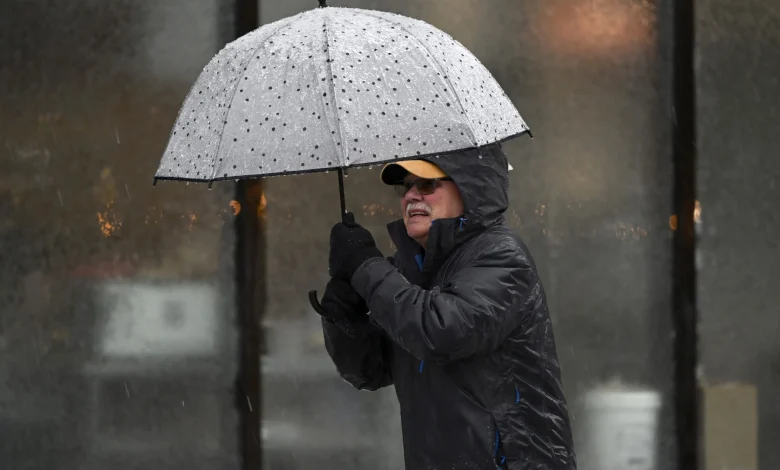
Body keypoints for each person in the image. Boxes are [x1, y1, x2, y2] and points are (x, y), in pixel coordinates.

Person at [318, 144, 576, 470]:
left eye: (426, 185)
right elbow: (369, 369)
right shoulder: (409, 269)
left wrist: (366, 267)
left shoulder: (500, 257)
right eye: (405, 186)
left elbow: (441, 332)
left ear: (470, 187)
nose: (411, 196)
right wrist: (343, 310)